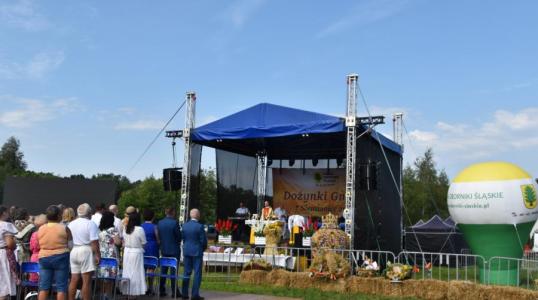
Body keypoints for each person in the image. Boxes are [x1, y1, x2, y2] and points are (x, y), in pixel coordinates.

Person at [37, 205, 71, 300]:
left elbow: (39, 243)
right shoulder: (65, 228)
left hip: (44, 257)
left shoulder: (41, 228)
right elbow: (71, 245)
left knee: (43, 287)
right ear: (59, 216)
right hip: (61, 257)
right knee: (61, 288)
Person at [68, 203, 101, 300]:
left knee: (74, 279)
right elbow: (94, 242)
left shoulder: (72, 223)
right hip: (86, 250)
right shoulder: (91, 223)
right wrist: (98, 255)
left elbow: (69, 239)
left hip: (74, 250)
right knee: (87, 281)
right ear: (89, 213)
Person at [181, 209, 207, 300]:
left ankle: (184, 293)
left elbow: (183, 239)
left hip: (187, 251)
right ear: (198, 215)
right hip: (197, 252)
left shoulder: (185, 226)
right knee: (197, 273)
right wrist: (202, 249)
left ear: (190, 215)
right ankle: (194, 294)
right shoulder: (200, 226)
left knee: (186, 272)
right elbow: (203, 241)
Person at [157, 207, 182, 297]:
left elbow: (159, 235)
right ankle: (174, 291)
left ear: (165, 212)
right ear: (173, 212)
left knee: (163, 271)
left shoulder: (160, 222)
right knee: (173, 272)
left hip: (164, 249)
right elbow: (179, 237)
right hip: (174, 249)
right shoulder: (174, 223)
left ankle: (161, 290)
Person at [97, 211, 121, 300]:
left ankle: (103, 294)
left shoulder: (100, 230)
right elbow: (118, 242)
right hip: (111, 255)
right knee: (110, 278)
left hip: (102, 254)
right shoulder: (113, 230)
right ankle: (108, 295)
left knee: (103, 276)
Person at [121, 212, 147, 297]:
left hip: (127, 252)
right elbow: (144, 243)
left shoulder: (125, 228)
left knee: (127, 272)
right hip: (136, 252)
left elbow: (124, 241)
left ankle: (127, 293)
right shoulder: (139, 229)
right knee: (136, 273)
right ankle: (133, 293)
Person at [0, 206, 18, 299]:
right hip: (3, 255)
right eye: (7, 212)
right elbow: (10, 243)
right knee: (4, 284)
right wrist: (14, 244)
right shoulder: (5, 225)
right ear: (3, 213)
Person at [141, 208, 159, 296]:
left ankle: (143, 287)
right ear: (153, 217)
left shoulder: (141, 226)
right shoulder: (154, 227)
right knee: (151, 268)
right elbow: (158, 239)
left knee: (143, 268)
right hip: (152, 248)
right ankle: (150, 288)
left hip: (143, 248)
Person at [29, 214, 47, 282]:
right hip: (43, 257)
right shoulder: (46, 234)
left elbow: (31, 248)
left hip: (34, 258)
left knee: (34, 280)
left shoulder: (34, 234)